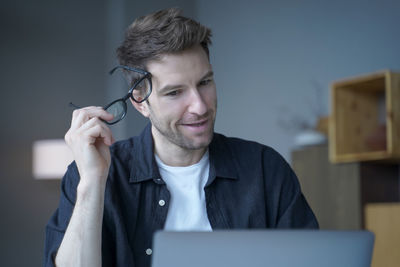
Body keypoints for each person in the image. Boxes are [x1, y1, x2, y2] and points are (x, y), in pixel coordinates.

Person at [44, 7, 318, 267]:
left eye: (205, 82)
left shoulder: (264, 168)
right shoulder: (94, 175)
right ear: (140, 102)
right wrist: (92, 183)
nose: (199, 106)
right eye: (175, 93)